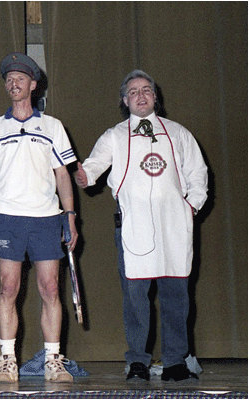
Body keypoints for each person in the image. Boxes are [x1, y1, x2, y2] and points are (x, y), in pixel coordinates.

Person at [74, 70, 207, 382]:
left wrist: (191, 206)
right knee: (135, 298)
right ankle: (137, 361)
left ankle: (175, 361)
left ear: (155, 97)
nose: (141, 95)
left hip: (174, 225)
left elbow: (197, 172)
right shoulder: (115, 135)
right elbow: (94, 165)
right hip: (133, 226)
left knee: (176, 296)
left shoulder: (177, 132)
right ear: (125, 100)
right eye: (133, 91)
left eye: (146, 90)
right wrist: (84, 175)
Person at [0, 53, 78, 383]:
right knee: (8, 287)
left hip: (46, 219)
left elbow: (62, 175)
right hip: (7, 219)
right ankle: (7, 360)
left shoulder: (53, 126)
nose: (14, 83)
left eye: (20, 78)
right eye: (9, 79)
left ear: (33, 84)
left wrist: (70, 216)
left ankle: (53, 361)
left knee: (50, 288)